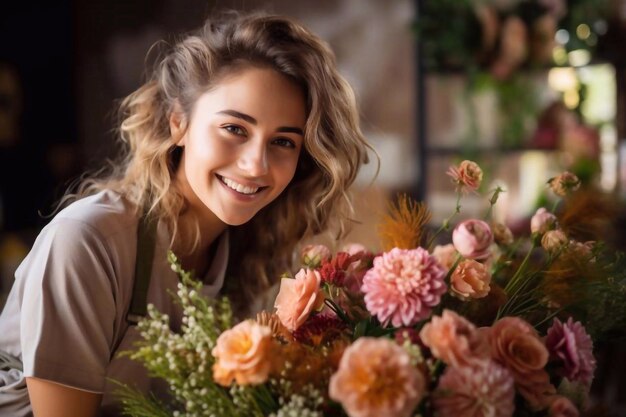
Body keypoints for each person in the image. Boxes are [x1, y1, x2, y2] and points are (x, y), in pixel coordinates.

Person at [0, 12, 372, 416]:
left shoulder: (253, 259)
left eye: (283, 141)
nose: (256, 165)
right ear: (178, 122)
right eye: (235, 128)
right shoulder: (87, 242)